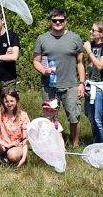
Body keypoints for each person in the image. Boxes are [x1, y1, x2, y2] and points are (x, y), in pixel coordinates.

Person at [33, 9, 85, 147]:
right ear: (50, 21)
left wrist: (81, 83)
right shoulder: (42, 39)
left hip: (71, 85)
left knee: (74, 117)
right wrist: (43, 70)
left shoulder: (75, 38)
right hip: (49, 86)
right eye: (54, 20)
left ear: (65, 21)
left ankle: (75, 145)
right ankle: (52, 145)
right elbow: (36, 61)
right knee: (49, 117)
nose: (58, 23)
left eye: (61, 20)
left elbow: (80, 63)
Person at [83, 22, 103, 144]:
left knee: (99, 119)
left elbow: (100, 65)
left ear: (102, 34)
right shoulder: (92, 45)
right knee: (91, 117)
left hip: (102, 86)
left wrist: (88, 51)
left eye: (93, 30)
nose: (91, 32)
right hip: (91, 84)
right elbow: (91, 65)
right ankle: (97, 144)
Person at [0, 90, 30, 167]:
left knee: (12, 155)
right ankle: (2, 159)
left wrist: (24, 158)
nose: (9, 104)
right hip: (3, 145)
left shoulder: (23, 115)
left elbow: (25, 139)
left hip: (17, 146)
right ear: (3, 102)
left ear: (17, 101)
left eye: (12, 101)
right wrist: (7, 145)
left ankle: (17, 159)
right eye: (6, 101)